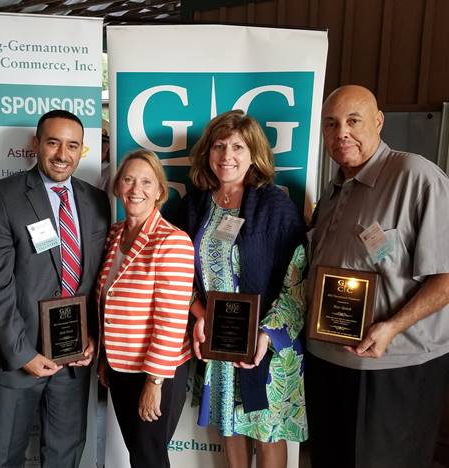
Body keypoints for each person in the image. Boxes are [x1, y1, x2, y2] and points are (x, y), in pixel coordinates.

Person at [306, 84, 449, 468]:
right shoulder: (334, 189)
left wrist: (392, 327)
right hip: (329, 361)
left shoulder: (415, 176)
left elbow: (446, 277)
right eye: (331, 124)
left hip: (392, 368)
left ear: (379, 122)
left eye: (354, 121)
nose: (342, 134)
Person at [0, 109, 110, 468]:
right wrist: (23, 354)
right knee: (9, 457)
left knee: (65, 454)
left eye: (72, 145)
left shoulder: (96, 201)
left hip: (73, 358)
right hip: (17, 357)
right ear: (36, 145)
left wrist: (92, 336)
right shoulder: (2, 196)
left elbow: (96, 279)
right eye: (53, 143)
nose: (62, 154)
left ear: (82, 151)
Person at [174, 110, 308, 468]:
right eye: (219, 146)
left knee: (266, 435)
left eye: (237, 146)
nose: (226, 155)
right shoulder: (193, 207)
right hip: (218, 343)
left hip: (267, 348)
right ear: (207, 152)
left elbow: (297, 280)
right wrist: (199, 315)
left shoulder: (275, 205)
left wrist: (266, 333)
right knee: (228, 430)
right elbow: (177, 271)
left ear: (254, 154)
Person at [96, 149, 194, 468]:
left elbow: (171, 319)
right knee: (139, 454)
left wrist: (154, 382)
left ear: (159, 192)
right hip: (120, 366)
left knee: (149, 458)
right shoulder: (114, 235)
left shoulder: (172, 241)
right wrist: (104, 359)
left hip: (155, 372)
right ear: (117, 186)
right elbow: (107, 303)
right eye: (128, 179)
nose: (135, 189)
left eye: (145, 182)